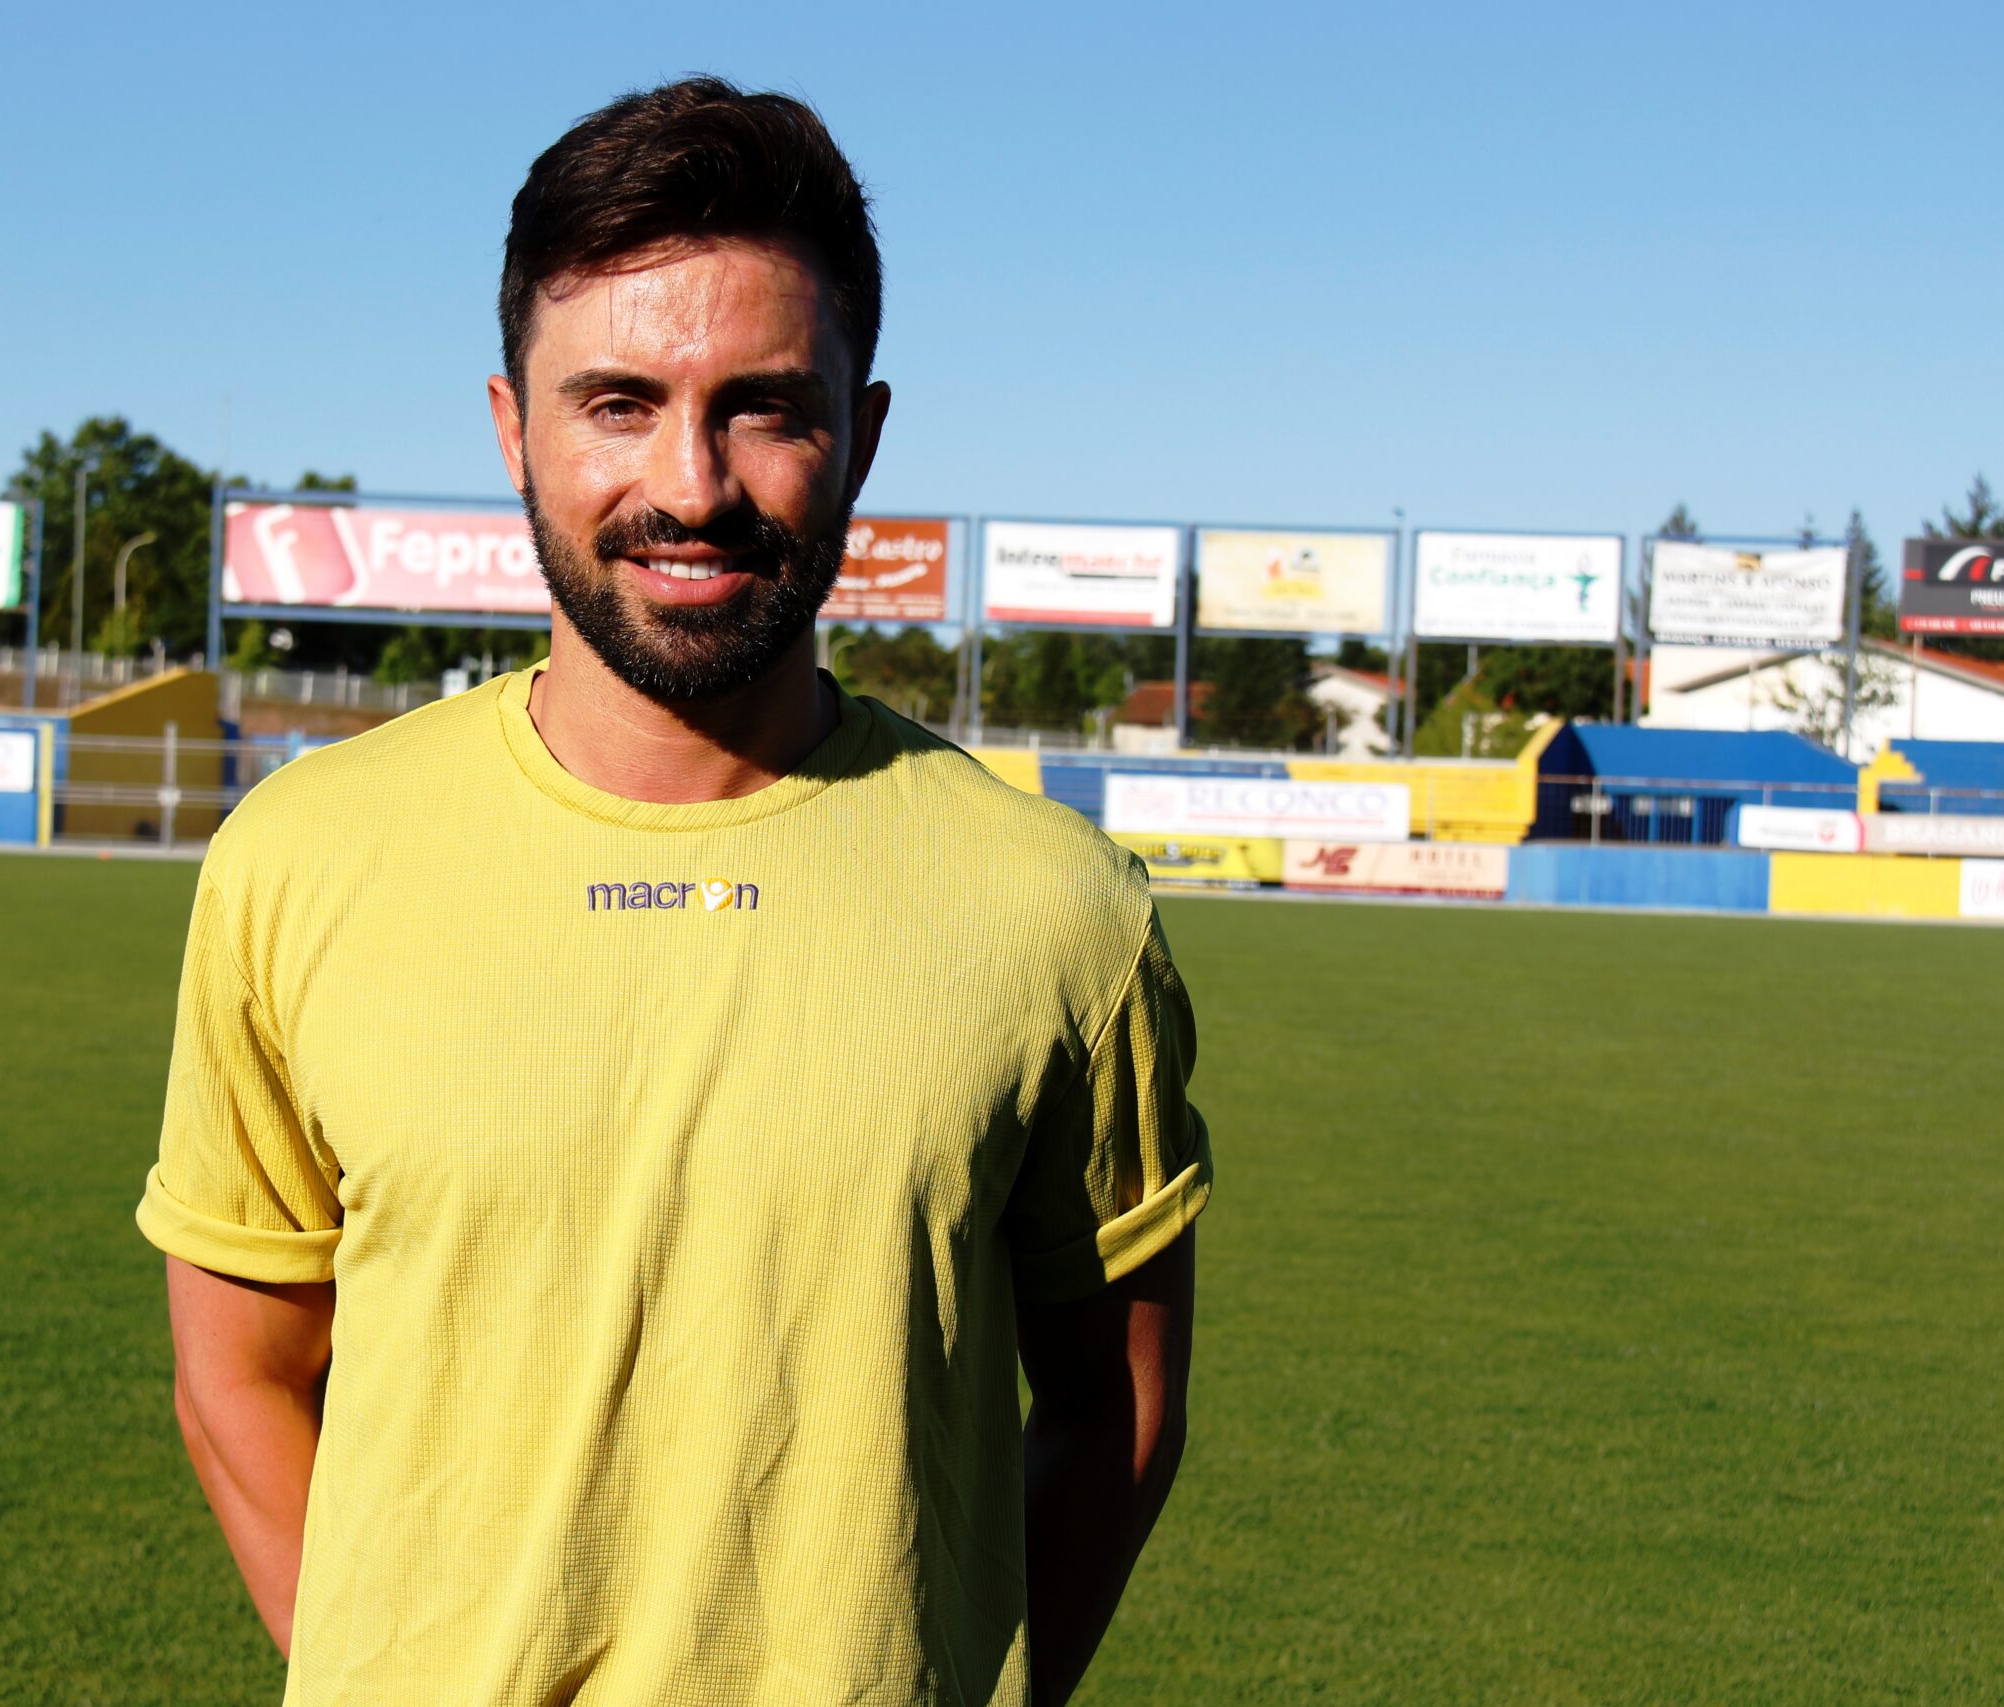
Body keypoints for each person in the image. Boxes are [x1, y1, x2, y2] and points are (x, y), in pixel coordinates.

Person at [138, 76, 1211, 1706]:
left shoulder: (1060, 912)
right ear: (513, 425)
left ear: (864, 429)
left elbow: (1113, 1404)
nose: (692, 485)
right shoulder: (298, 864)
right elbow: (238, 1377)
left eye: (767, 405)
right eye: (619, 401)